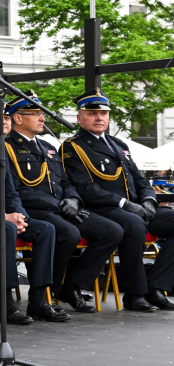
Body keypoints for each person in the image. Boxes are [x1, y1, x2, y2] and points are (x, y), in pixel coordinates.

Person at [5, 94, 121, 314]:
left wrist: (73, 199)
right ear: (18, 119)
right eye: (36, 114)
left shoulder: (47, 146)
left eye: (42, 114)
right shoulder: (7, 147)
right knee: (68, 233)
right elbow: (16, 190)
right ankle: (47, 295)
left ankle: (71, 286)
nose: (42, 118)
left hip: (61, 208)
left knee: (111, 231)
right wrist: (59, 205)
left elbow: (64, 180)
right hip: (36, 210)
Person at [61, 90, 174, 311]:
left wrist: (150, 200)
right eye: (92, 113)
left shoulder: (118, 143)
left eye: (103, 113)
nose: (99, 117)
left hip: (135, 208)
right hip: (104, 209)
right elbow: (85, 187)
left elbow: (139, 179)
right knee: (133, 224)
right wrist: (125, 204)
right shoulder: (73, 146)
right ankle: (134, 294)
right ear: (79, 118)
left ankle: (156, 287)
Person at [0, 94, 63, 323]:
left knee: (45, 229)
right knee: (6, 229)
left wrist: (20, 215)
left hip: (3, 216)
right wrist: (5, 216)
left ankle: (38, 300)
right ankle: (8, 304)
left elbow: (10, 191)